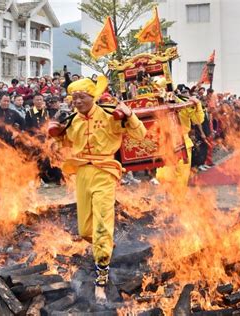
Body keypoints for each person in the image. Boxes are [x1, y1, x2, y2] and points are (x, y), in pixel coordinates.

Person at [51, 76, 146, 286]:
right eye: (73, 98)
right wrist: (56, 136)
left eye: (81, 97)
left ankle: (101, 275)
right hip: (82, 174)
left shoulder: (109, 114)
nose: (77, 101)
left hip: (105, 172)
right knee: (85, 230)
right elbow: (62, 146)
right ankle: (106, 245)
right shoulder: (72, 120)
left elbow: (140, 134)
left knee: (102, 225)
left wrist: (130, 115)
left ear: (91, 96)